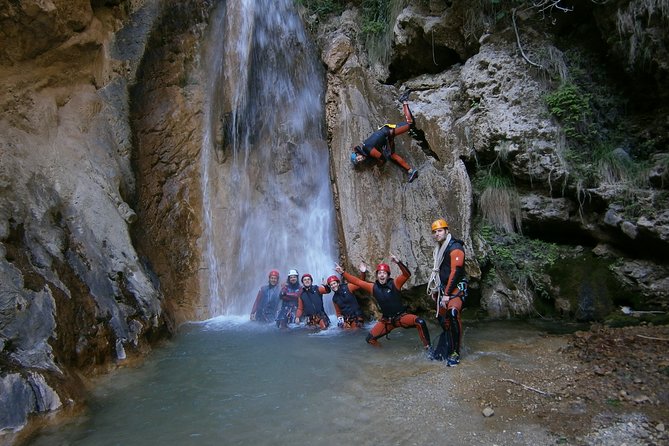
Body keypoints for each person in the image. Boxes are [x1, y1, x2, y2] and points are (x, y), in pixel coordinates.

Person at [335, 255, 431, 351]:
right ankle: (384, 354)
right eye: (380, 273)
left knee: (420, 322)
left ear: (388, 275)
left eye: (384, 273)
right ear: (377, 276)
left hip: (401, 317)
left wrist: (398, 262)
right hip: (387, 321)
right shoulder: (373, 288)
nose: (382, 275)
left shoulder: (395, 284)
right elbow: (357, 282)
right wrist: (343, 273)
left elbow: (407, 275)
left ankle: (428, 349)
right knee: (370, 339)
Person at [349, 90, 419, 183]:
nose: (360, 159)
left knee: (410, 124)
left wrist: (378, 166)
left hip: (388, 132)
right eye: (359, 161)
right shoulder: (366, 149)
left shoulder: (368, 149)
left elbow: (382, 158)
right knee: (392, 155)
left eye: (357, 158)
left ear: (358, 154)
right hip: (387, 137)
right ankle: (411, 171)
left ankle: (404, 100)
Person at [426, 219, 467, 366]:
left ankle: (456, 352)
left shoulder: (455, 247)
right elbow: (441, 271)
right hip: (444, 288)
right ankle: (448, 343)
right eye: (435, 232)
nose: (437, 234)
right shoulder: (440, 247)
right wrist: (437, 290)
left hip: (455, 289)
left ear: (446, 231)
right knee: (442, 318)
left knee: (453, 314)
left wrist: (447, 294)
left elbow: (455, 272)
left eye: (440, 231)